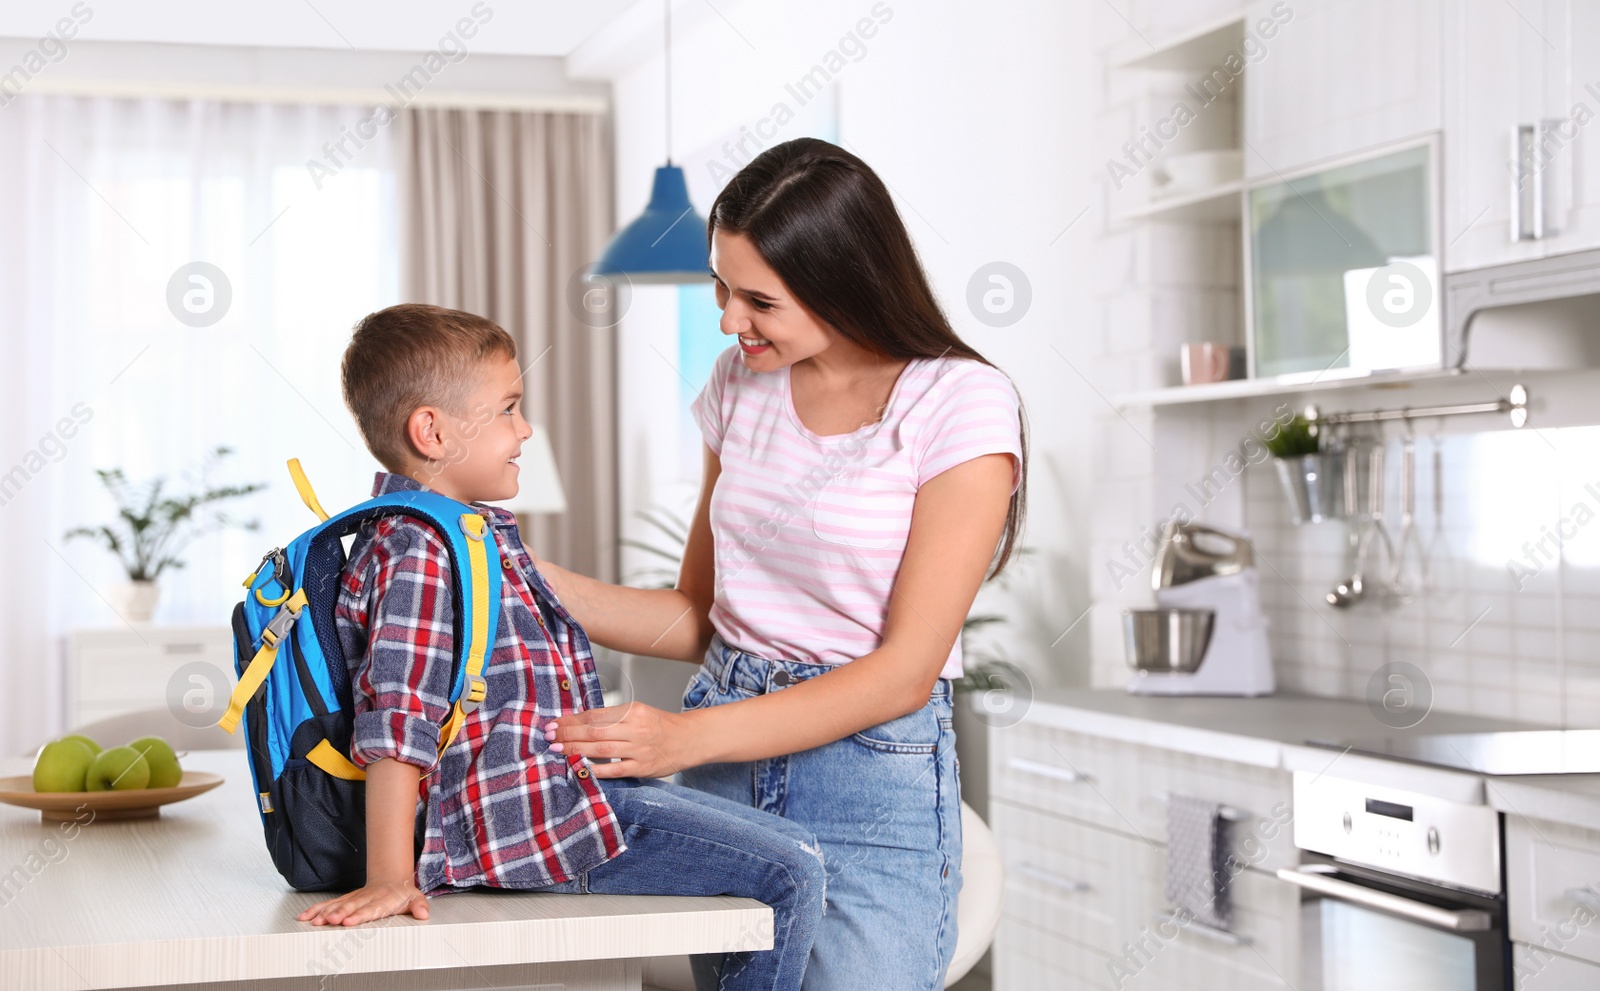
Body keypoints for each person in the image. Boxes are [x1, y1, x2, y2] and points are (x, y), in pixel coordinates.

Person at [537, 138, 1028, 991]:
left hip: (870, 777)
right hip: (726, 763)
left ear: (844, 282)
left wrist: (679, 737)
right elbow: (699, 614)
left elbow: (904, 673)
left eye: (758, 300)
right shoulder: (739, 381)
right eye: (721, 287)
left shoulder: (959, 401)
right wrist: (522, 573)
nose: (729, 319)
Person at [296, 303, 825, 991]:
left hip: (560, 799)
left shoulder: (459, 536)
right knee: (792, 870)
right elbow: (399, 717)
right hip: (534, 828)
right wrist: (391, 877)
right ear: (431, 431)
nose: (525, 428)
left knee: (782, 856)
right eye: (508, 408)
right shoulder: (422, 550)